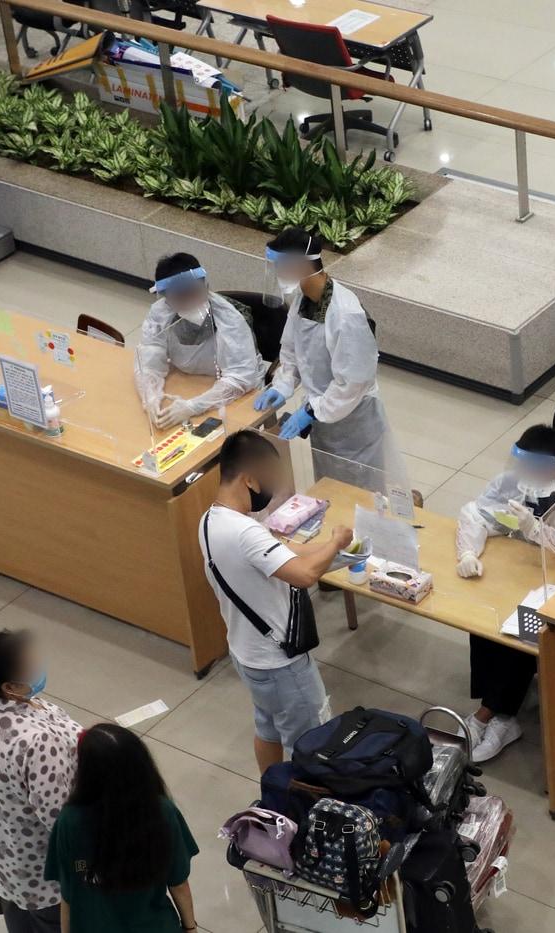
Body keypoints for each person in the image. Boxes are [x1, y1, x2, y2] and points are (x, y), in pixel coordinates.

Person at [199, 430, 352, 772]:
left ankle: (273, 797)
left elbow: (287, 553)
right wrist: (336, 540)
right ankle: (305, 811)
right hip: (279, 663)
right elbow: (303, 575)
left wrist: (333, 549)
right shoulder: (245, 532)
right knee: (313, 745)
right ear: (250, 478)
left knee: (267, 728)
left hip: (246, 653)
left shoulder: (210, 520)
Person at [0, 630, 81, 933]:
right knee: (53, 923)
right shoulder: (37, 742)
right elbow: (62, 821)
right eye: (30, 664)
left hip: (0, 850)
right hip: (42, 870)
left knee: (19, 919)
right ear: (9, 686)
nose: (39, 664)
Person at [455, 424, 555, 762]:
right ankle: (494, 711)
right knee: (487, 621)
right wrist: (468, 553)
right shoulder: (513, 483)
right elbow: (476, 514)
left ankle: (493, 716)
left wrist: (537, 530)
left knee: (521, 630)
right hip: (520, 572)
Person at [254, 228, 394, 476]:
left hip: (355, 423)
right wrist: (282, 385)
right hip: (323, 416)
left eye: (282, 265)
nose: (278, 273)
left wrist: (310, 411)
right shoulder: (304, 299)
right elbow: (291, 351)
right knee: (328, 483)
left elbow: (353, 382)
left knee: (359, 494)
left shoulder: (345, 313)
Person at [44, 724, 199, 933]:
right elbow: (179, 883)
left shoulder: (69, 821)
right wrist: (190, 928)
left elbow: (68, 893)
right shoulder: (161, 811)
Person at [135, 252, 263, 430]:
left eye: (194, 293)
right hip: (186, 383)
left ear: (206, 286)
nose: (189, 302)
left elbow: (240, 378)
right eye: (179, 297)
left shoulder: (230, 320)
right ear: (166, 299)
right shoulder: (160, 315)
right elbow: (149, 358)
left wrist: (193, 406)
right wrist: (150, 397)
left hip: (232, 394)